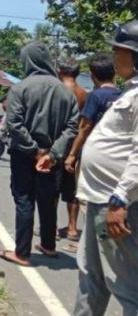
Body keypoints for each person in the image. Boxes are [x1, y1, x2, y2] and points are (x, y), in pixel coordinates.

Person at [36, 21, 138, 316]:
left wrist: (120, 199)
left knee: (127, 283)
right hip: (100, 196)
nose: (114, 56)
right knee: (90, 271)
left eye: (119, 50)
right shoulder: (130, 90)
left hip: (118, 202)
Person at [0, 42, 78, 267]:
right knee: (47, 199)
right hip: (53, 157)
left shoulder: (20, 88)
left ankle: (22, 253)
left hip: (25, 154)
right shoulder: (65, 91)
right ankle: (48, 245)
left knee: (24, 199)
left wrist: (35, 151)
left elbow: (14, 123)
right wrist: (52, 154)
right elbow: (72, 127)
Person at [62, 54, 121, 241]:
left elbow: (85, 127)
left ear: (93, 74)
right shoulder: (122, 95)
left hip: (93, 153)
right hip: (116, 155)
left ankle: (90, 237)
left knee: (86, 195)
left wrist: (72, 154)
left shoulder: (95, 96)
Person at [56, 61, 88, 239]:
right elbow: (84, 125)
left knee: (52, 187)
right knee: (73, 190)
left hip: (58, 143)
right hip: (75, 146)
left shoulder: (57, 91)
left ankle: (50, 227)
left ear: (60, 71)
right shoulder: (84, 94)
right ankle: (72, 228)